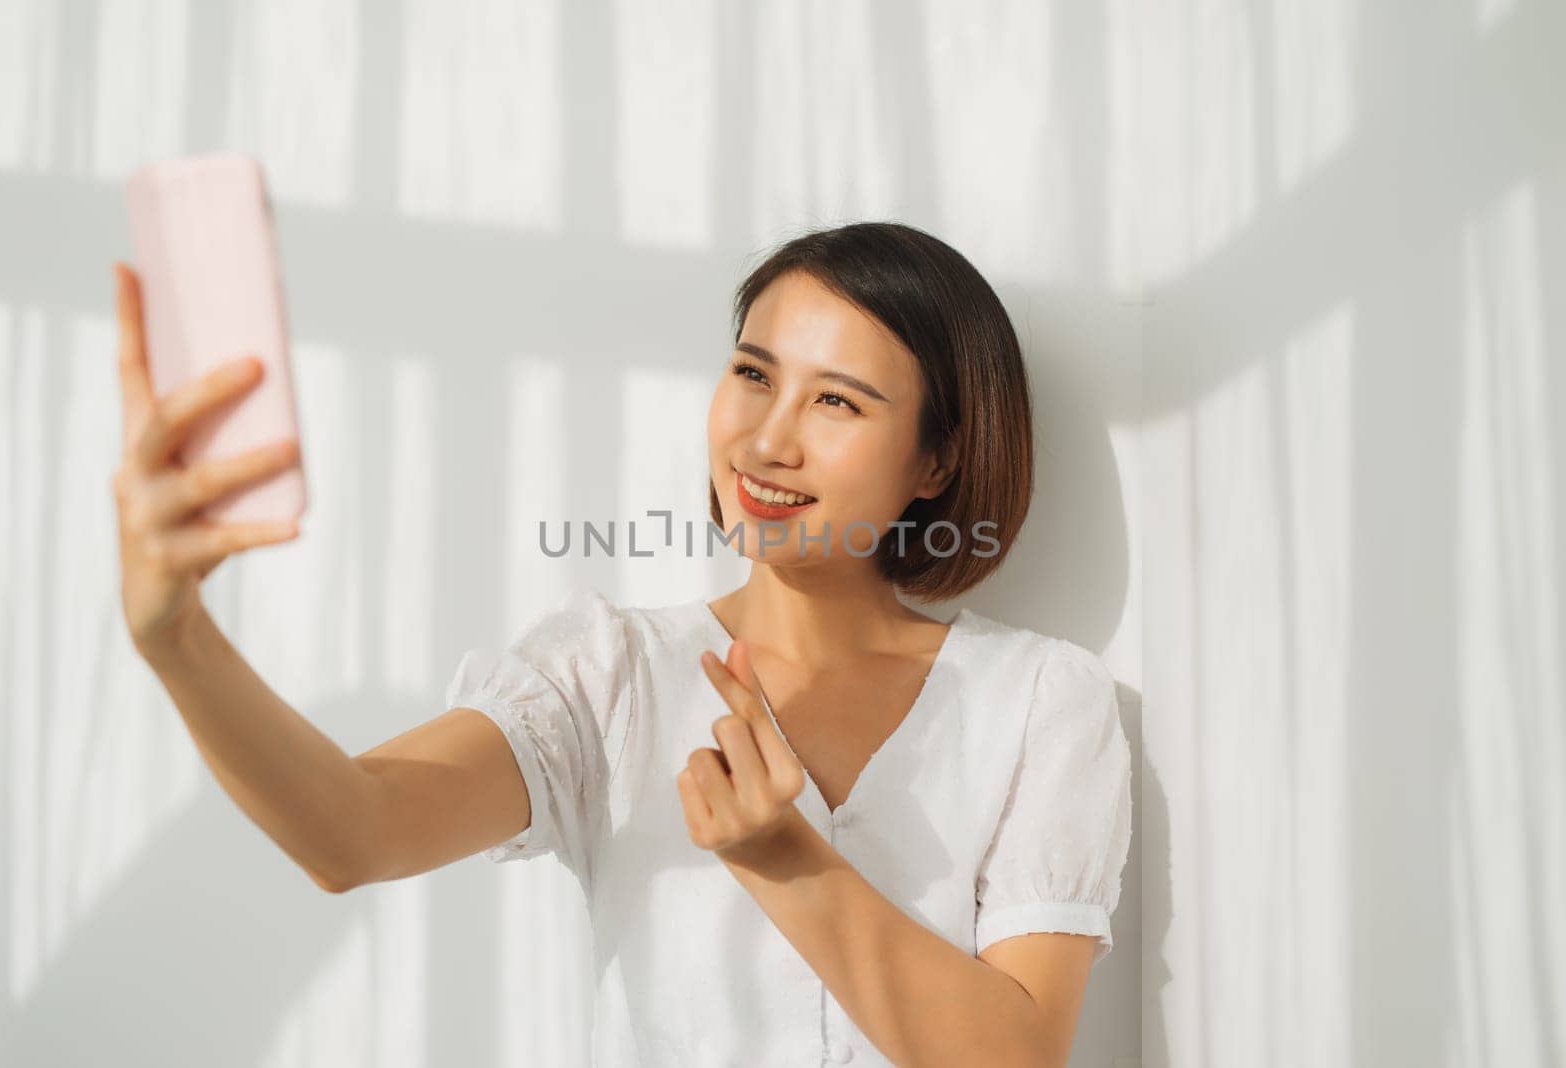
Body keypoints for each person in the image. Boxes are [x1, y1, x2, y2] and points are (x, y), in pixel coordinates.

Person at [111, 221, 1132, 1067]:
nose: (766, 440)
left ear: (936, 461)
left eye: (836, 400)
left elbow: (1017, 1057)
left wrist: (783, 860)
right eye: (752, 374)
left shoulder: (1041, 701)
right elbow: (353, 829)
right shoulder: (606, 679)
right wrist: (176, 639)